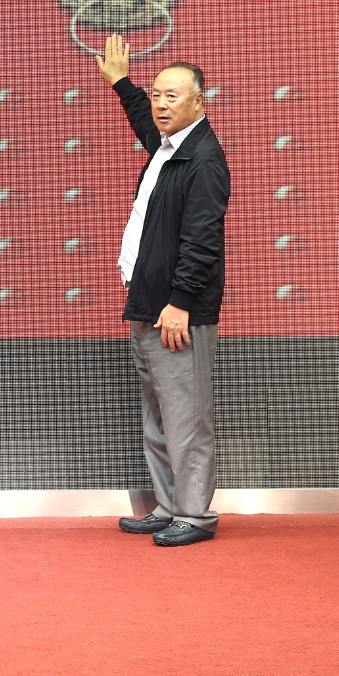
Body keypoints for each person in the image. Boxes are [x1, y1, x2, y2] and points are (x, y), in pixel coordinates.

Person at [98, 35, 231, 547]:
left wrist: (180, 302)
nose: (159, 104)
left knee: (185, 417)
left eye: (172, 95)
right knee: (158, 415)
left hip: (177, 311)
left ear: (199, 101)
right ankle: (169, 506)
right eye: (156, 95)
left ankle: (194, 515)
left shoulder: (203, 159)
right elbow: (143, 118)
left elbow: (203, 240)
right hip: (148, 303)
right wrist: (122, 83)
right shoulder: (167, 146)